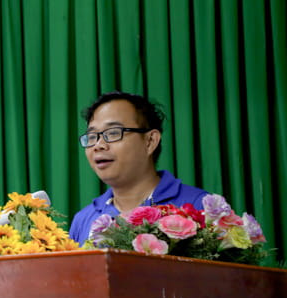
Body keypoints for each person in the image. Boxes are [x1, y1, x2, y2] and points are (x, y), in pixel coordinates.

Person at [69, 91, 208, 245]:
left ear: (150, 141)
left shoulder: (200, 207)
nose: (98, 145)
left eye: (113, 133)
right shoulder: (83, 220)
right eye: (92, 136)